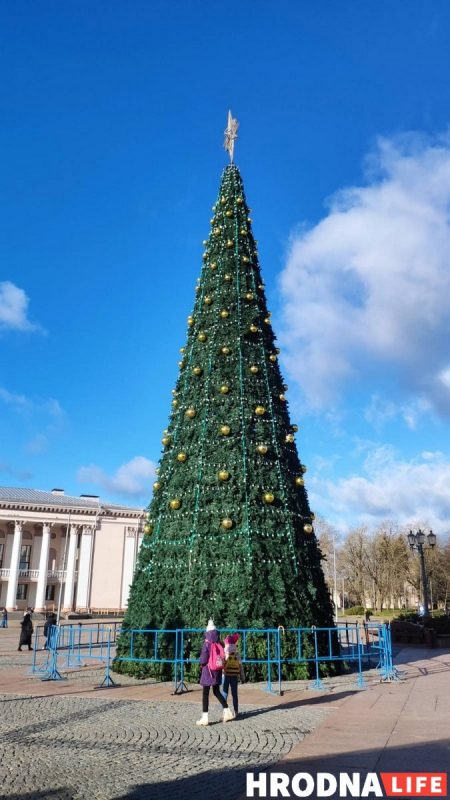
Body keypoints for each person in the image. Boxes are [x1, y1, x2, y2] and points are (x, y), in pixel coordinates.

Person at [196, 619, 233, 726]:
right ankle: (227, 711)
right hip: (216, 669)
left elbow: (203, 659)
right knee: (216, 691)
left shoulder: (207, 643)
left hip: (208, 670)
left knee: (205, 693)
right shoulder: (218, 642)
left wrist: (201, 664)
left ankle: (205, 717)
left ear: (207, 632)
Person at [222, 633, 245, 719]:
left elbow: (221, 665)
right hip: (234, 676)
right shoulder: (237, 654)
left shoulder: (224, 653)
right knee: (234, 694)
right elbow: (240, 666)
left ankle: (225, 712)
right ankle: (236, 712)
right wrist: (242, 677)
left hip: (226, 675)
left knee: (224, 694)